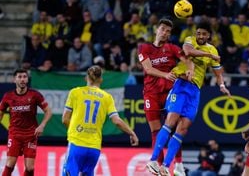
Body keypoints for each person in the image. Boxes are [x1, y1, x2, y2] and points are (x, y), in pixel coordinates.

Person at [146, 20, 231, 175]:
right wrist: (209, 55)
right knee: (170, 122)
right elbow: (188, 51)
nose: (200, 36)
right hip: (181, 85)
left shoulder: (213, 50)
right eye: (198, 33)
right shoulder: (190, 41)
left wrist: (222, 85)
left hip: (195, 91)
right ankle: (153, 160)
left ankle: (166, 165)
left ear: (209, 36)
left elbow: (218, 73)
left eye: (203, 34)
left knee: (183, 128)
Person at [61, 65, 139, 176]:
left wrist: (76, 130)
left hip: (76, 144)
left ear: (86, 78)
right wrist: (132, 133)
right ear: (101, 79)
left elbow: (65, 119)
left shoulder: (75, 92)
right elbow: (116, 121)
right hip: (94, 148)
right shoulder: (107, 97)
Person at [138, 18, 191, 175]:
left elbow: (187, 60)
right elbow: (148, 69)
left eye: (168, 31)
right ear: (156, 30)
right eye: (162, 29)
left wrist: (189, 69)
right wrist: (166, 75)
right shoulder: (144, 47)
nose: (165, 33)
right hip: (151, 94)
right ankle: (159, 167)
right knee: (155, 131)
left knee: (174, 129)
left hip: (170, 94)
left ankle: (178, 165)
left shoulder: (173, 48)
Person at [0, 68, 52, 176]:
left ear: (27, 79)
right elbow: (1, 112)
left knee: (30, 167)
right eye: (19, 77)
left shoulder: (35, 95)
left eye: (24, 77)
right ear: (14, 80)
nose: (22, 79)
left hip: (30, 134)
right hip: (15, 134)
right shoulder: (8, 96)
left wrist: (42, 125)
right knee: (10, 164)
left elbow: (48, 111)